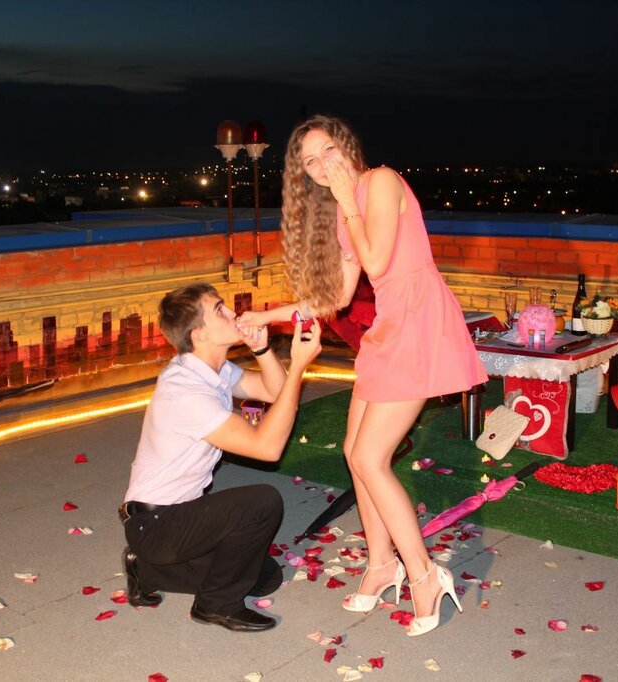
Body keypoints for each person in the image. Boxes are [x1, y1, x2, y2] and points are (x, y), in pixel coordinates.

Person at [239, 115, 488, 637]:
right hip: (389, 329)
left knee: (372, 458)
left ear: (347, 146)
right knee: (354, 452)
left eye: (327, 151)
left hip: (419, 325)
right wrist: (267, 316)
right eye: (310, 161)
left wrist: (346, 199)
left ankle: (424, 575)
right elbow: (338, 296)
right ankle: (380, 565)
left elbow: (376, 260)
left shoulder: (382, 182)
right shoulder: (343, 211)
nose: (321, 165)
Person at [119, 282, 323, 632]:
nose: (233, 313)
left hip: (178, 515)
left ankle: (147, 569)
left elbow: (275, 391)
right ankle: (215, 605)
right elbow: (267, 448)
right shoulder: (185, 391)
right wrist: (299, 366)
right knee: (261, 502)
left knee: (265, 578)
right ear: (198, 334)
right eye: (220, 311)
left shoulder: (211, 368)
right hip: (156, 523)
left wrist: (262, 350)